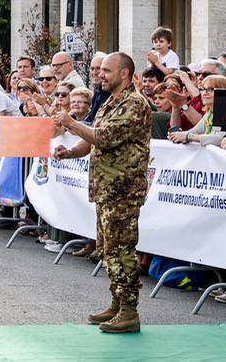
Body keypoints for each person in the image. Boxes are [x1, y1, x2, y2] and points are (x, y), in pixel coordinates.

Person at [53, 52, 151, 333]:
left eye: (106, 70)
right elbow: (95, 137)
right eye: (100, 71)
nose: (100, 75)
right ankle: (117, 304)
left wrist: (71, 124)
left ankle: (129, 311)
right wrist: (70, 152)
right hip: (106, 187)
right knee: (109, 250)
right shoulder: (111, 101)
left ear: (124, 74)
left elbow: (104, 138)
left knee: (122, 250)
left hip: (123, 189)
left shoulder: (134, 104)